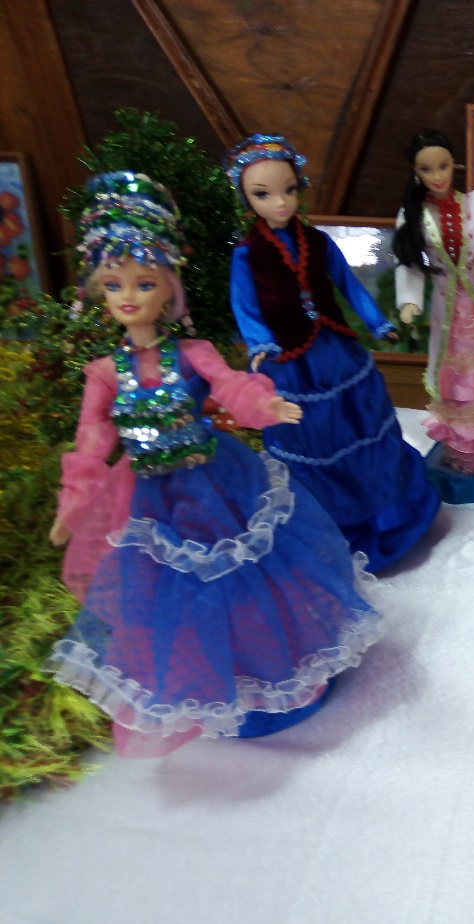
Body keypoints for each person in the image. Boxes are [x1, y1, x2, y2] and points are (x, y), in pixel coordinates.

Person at [46, 172, 385, 757]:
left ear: (168, 287)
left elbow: (230, 385)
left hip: (219, 482)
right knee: (179, 597)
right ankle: (219, 684)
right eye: (114, 285)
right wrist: (74, 505)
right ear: (100, 292)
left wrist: (265, 405)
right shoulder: (104, 373)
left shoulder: (192, 353)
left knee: (255, 577)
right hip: (154, 501)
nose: (129, 297)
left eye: (144, 283)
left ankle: (278, 670)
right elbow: (92, 438)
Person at [226, 134, 440, 570]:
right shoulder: (247, 255)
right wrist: (259, 342)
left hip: (334, 350)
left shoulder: (318, 241)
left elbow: (348, 285)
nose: (280, 202)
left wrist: (377, 322)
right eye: (263, 194)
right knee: (310, 437)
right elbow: (244, 305)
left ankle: (386, 514)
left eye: (289, 190)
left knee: (362, 424)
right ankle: (327, 525)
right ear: (246, 198)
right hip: (289, 360)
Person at [393, 129, 474, 477]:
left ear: (455, 165)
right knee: (454, 377)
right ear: (415, 172)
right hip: (444, 308)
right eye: (426, 169)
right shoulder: (413, 214)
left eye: (443, 166)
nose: (437, 176)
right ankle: (462, 448)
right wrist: (409, 301)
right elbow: (409, 264)